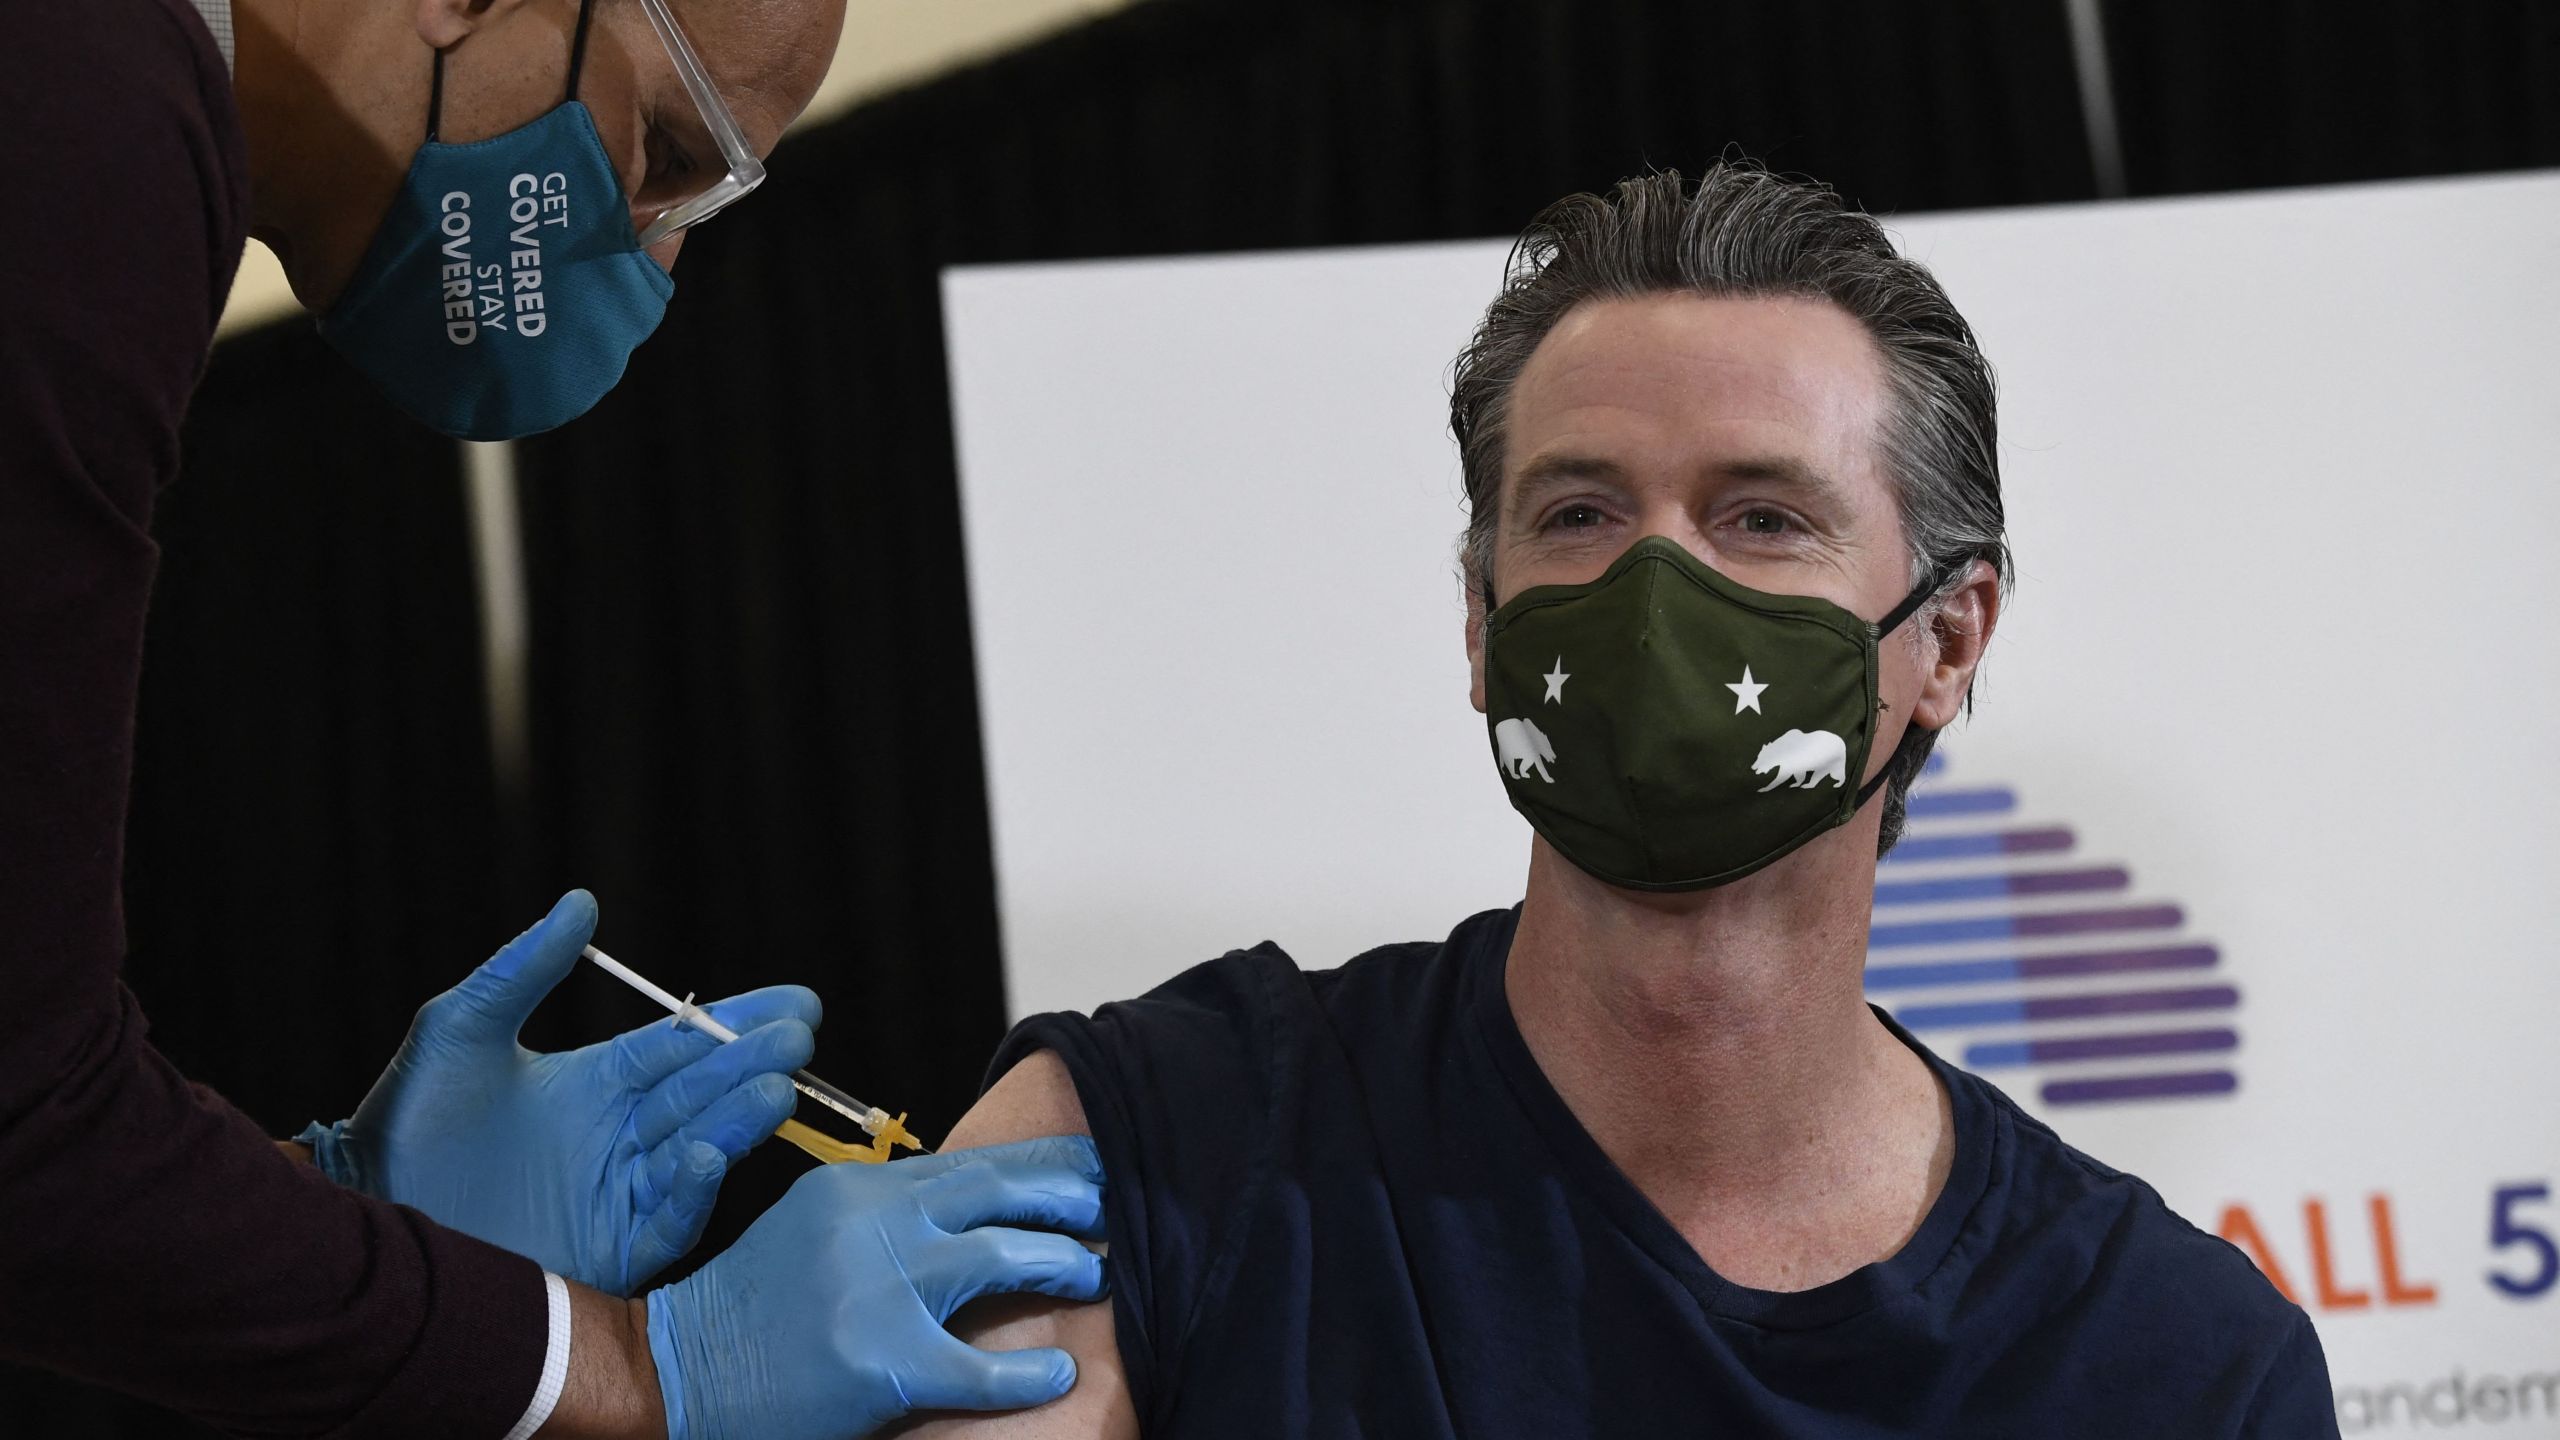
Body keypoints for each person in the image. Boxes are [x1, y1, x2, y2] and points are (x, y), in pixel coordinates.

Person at [887, 166, 2341, 1438]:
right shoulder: (1156, 1146)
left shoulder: (2175, 1363)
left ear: (1947, 641)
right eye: (1578, 514)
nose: (1650, 596)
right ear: (1479, 619)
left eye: (1762, 518)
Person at [1, 1, 1107, 1436]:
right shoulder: (86, 118)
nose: (652, 253)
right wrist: (639, 1370)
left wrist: (321, 1206)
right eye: (659, 147)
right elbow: (24, 1133)